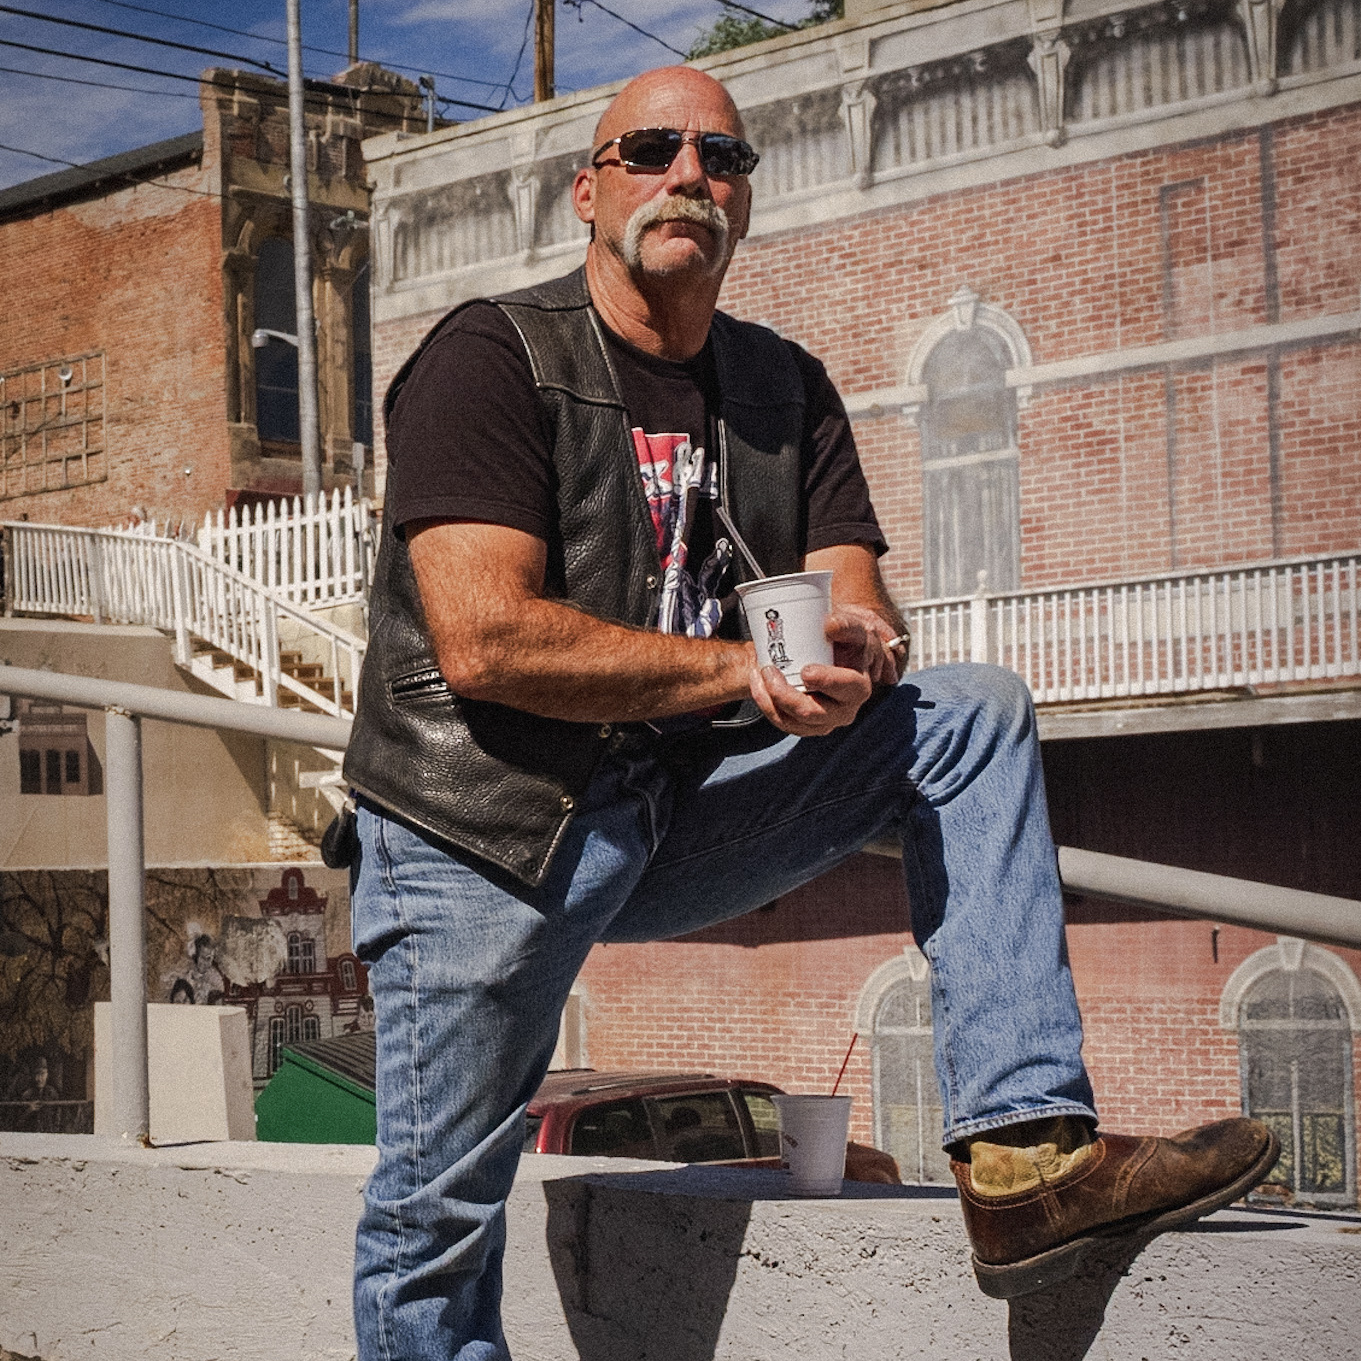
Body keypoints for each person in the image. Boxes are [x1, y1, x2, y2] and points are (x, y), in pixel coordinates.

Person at [341, 64, 1278, 1360]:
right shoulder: (493, 357)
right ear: (587, 189)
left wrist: (856, 651)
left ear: (742, 199)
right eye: (653, 150)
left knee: (968, 713)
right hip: (481, 829)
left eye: (720, 158)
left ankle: (1023, 1163)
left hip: (669, 810)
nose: (688, 176)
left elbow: (851, 587)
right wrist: (737, 670)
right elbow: (485, 638)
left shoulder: (780, 387)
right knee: (436, 1214)